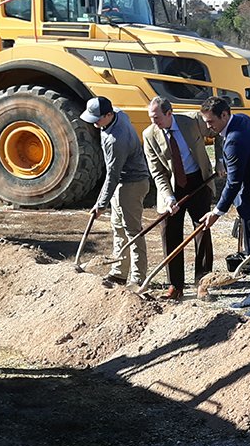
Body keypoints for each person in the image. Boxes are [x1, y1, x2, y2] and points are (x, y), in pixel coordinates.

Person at [143, 96, 215, 300]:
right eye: (151, 117)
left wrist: (220, 161)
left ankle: (203, 282)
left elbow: (218, 132)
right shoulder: (149, 135)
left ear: (169, 113)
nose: (153, 121)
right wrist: (168, 197)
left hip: (198, 181)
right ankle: (175, 285)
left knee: (202, 230)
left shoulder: (192, 121)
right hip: (172, 187)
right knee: (169, 233)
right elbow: (156, 171)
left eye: (156, 117)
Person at [197, 96, 250, 310]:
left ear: (224, 115)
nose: (209, 127)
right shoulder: (244, 119)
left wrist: (216, 212)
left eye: (211, 122)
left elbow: (234, 182)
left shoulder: (234, 140)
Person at [80, 96, 150, 288]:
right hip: (123, 183)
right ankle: (119, 272)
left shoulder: (116, 140)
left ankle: (138, 279)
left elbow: (112, 175)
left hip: (133, 184)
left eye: (97, 119)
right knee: (118, 228)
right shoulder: (118, 113)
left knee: (133, 231)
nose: (94, 124)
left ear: (109, 115)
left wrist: (100, 204)